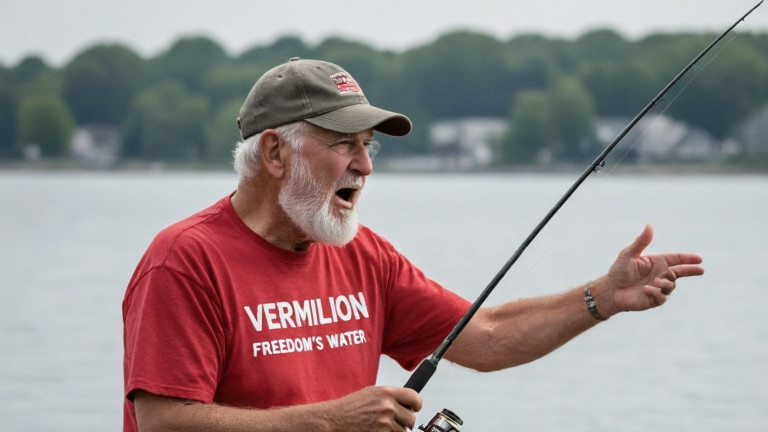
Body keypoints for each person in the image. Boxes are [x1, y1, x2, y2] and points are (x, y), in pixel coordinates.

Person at [122, 57, 705, 432]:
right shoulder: (184, 261)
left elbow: (486, 337)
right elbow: (164, 421)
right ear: (275, 152)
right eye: (344, 144)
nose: (364, 166)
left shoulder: (363, 255)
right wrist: (331, 421)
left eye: (368, 145)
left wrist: (602, 297)